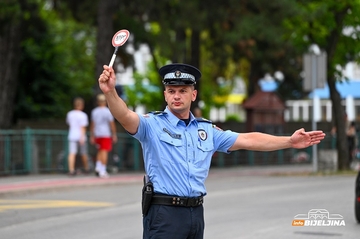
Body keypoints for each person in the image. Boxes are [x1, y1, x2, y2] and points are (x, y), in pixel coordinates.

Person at [98, 63, 326, 239]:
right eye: (171, 90)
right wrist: (110, 93)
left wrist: (289, 141)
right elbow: (124, 115)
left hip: (195, 213)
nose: (176, 96)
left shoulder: (206, 130)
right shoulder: (152, 125)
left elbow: (248, 139)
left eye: (183, 90)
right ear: (165, 95)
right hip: (164, 213)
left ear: (193, 95)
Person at [90, 93, 118, 178]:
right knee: (104, 151)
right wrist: (114, 134)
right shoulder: (108, 111)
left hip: (97, 134)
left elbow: (92, 124)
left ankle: (98, 167)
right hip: (106, 134)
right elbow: (111, 124)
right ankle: (103, 170)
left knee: (99, 151)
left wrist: (92, 135)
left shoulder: (94, 111)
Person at [66, 97, 90, 176]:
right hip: (80, 136)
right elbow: (83, 127)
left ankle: (71, 169)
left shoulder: (70, 114)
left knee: (72, 153)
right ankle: (86, 168)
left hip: (72, 135)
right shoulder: (83, 115)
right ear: (82, 105)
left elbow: (69, 123)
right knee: (83, 153)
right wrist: (82, 137)